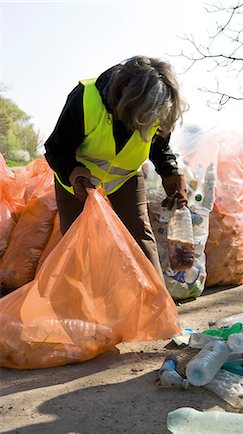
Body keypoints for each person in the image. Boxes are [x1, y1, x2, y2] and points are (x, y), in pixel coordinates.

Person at [45, 55, 188, 280]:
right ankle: (80, 308)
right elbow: (56, 149)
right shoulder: (85, 98)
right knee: (76, 242)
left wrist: (172, 174)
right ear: (123, 91)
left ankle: (156, 307)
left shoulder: (157, 106)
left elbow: (160, 149)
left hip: (125, 175)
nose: (147, 121)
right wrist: (73, 172)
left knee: (140, 235)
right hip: (79, 177)